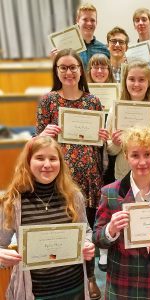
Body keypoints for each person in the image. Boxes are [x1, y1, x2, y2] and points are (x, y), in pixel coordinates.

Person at [36, 48, 108, 300]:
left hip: (89, 176)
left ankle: (89, 278)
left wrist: (102, 139)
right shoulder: (48, 101)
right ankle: (64, 275)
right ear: (57, 71)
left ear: (81, 71)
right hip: (59, 177)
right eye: (63, 67)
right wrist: (45, 134)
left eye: (73, 67)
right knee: (63, 226)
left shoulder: (93, 101)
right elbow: (38, 142)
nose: (68, 72)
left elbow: (100, 147)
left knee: (85, 228)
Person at [93, 127, 150, 299]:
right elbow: (97, 237)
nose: (142, 162)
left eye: (147, 154)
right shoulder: (110, 192)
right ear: (126, 156)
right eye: (135, 155)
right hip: (124, 284)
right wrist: (110, 230)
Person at [0, 136, 95, 300]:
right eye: (39, 158)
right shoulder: (13, 201)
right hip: (35, 292)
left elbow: (86, 230)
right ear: (28, 162)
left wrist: (87, 243)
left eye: (53, 158)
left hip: (74, 287)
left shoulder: (74, 196)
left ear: (60, 163)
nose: (47, 164)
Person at [106, 60, 150, 180]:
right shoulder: (115, 110)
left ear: (149, 83)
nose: (136, 84)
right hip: (123, 174)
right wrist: (115, 144)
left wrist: (149, 145)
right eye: (132, 79)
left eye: (141, 80)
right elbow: (110, 150)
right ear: (125, 82)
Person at [86, 52, 116, 273]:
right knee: (95, 204)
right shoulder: (84, 97)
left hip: (111, 156)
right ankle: (98, 247)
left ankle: (106, 251)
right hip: (90, 156)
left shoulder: (117, 98)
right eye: (95, 67)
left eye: (103, 67)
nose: (99, 71)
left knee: (110, 200)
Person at [50, 3, 109, 71]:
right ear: (77, 20)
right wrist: (55, 61)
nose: (89, 23)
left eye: (92, 20)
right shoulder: (65, 49)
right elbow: (61, 72)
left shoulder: (104, 50)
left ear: (96, 22)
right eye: (85, 19)